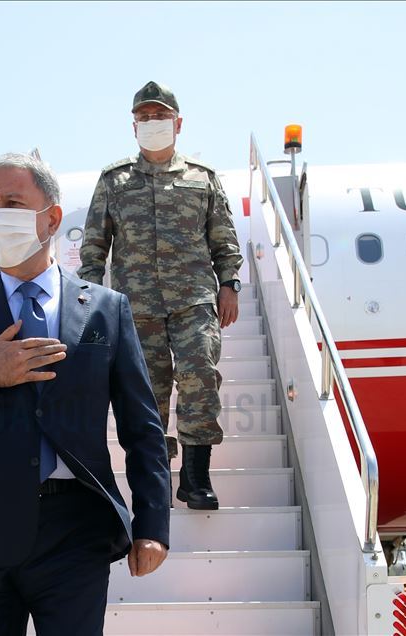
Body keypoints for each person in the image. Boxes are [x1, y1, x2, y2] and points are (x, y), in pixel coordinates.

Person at [0, 153, 170, 636]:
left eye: (12, 203)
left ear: (53, 217)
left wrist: (152, 524)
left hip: (76, 531)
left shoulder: (106, 310)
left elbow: (142, 427)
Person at [77, 80, 244, 510]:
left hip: (194, 301)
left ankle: (195, 478)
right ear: (134, 126)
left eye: (160, 116)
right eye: (144, 117)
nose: (152, 122)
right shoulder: (114, 181)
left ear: (178, 123)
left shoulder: (203, 179)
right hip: (136, 306)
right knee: (146, 393)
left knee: (199, 377)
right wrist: (91, 301)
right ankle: (155, 481)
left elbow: (224, 239)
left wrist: (230, 285)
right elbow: (94, 246)